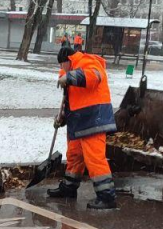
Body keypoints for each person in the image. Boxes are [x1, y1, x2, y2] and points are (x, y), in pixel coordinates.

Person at [49, 44, 118, 209]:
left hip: (94, 119)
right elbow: (71, 101)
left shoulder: (87, 62)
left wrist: (71, 77)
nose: (61, 68)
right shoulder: (68, 73)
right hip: (79, 122)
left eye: (61, 64)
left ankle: (107, 197)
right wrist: (62, 118)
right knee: (74, 156)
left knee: (94, 159)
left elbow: (94, 77)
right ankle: (69, 188)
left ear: (68, 60)